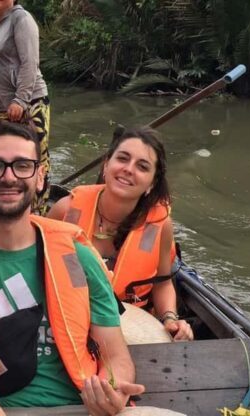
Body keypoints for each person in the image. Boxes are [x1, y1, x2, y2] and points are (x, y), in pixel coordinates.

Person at [0, 122, 184, 416]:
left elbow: (117, 356)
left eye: (22, 166)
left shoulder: (80, 257)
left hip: (78, 409)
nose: (9, 177)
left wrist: (110, 389)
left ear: (40, 177)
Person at [47, 127, 193, 342]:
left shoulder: (160, 226)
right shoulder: (66, 210)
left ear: (152, 183)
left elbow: (162, 283)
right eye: (122, 158)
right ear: (106, 165)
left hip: (131, 328)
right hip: (67, 320)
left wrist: (170, 319)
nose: (128, 169)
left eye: (142, 166)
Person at [0, 0, 51, 214]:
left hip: (30, 102)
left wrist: (21, 100)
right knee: (0, 158)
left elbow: (29, 63)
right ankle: (3, 211)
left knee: (33, 160)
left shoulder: (21, 20)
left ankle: (37, 213)